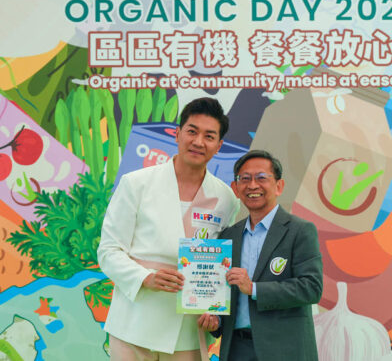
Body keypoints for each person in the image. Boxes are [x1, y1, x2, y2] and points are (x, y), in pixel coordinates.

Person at [98, 97, 240, 361]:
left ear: (219, 145)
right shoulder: (136, 184)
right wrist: (145, 278)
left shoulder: (226, 198)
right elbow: (108, 251)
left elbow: (222, 263)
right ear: (177, 134)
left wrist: (214, 310)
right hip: (134, 322)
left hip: (187, 329)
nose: (198, 142)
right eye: (192, 131)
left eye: (209, 136)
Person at [198, 150, 323, 361]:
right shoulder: (228, 236)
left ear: (279, 186)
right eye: (245, 179)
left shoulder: (300, 230)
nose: (253, 185)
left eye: (261, 178)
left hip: (285, 350)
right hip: (236, 349)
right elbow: (224, 293)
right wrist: (216, 321)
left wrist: (254, 288)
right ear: (235, 188)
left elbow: (312, 288)